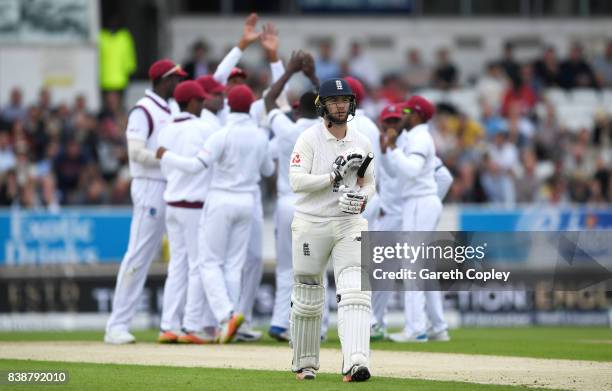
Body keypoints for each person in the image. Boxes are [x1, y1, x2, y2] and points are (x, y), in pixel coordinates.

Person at [157, 84, 274, 343]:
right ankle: (227, 325)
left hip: (221, 198)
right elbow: (267, 171)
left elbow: (195, 166)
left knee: (209, 262)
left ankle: (226, 316)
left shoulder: (222, 134)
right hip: (247, 201)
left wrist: (167, 156)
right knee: (233, 265)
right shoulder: (259, 136)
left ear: (229, 105)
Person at [289, 78, 375, 382]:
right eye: (333, 101)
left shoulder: (362, 141)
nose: (340, 105)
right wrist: (330, 176)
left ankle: (356, 362)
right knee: (309, 295)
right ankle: (305, 364)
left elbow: (369, 182)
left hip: (348, 222)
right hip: (312, 222)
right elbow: (296, 181)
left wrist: (361, 200)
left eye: (344, 100)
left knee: (356, 291)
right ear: (321, 106)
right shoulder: (308, 139)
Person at [104, 59, 185, 345]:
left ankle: (178, 323)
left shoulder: (174, 108)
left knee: (182, 256)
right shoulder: (143, 110)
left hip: (173, 185)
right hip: (150, 186)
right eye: (175, 79)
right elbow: (135, 153)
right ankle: (116, 325)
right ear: (162, 80)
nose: (178, 84)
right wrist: (168, 158)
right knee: (139, 254)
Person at [380, 96, 450, 343]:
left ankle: (416, 329)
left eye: (408, 111)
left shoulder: (419, 137)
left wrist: (395, 149)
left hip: (420, 202)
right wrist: (390, 149)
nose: (403, 115)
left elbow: (411, 169)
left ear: (418, 114)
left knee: (412, 268)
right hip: (417, 202)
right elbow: (398, 172)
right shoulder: (414, 136)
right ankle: (438, 327)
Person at [263, 51, 320, 342]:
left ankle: (278, 323)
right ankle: (315, 329)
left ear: (296, 111)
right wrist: (312, 76)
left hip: (286, 205)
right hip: (313, 207)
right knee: (314, 269)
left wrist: (289, 72)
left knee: (286, 268)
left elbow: (269, 101)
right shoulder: (326, 132)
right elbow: (343, 106)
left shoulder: (286, 128)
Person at [156, 81, 217, 344]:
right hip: (194, 205)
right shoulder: (203, 128)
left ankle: (168, 325)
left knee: (177, 267)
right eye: (200, 100)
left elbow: (164, 169)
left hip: (172, 202)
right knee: (196, 266)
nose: (204, 103)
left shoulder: (165, 130)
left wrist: (168, 158)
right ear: (192, 102)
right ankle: (191, 324)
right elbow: (199, 167)